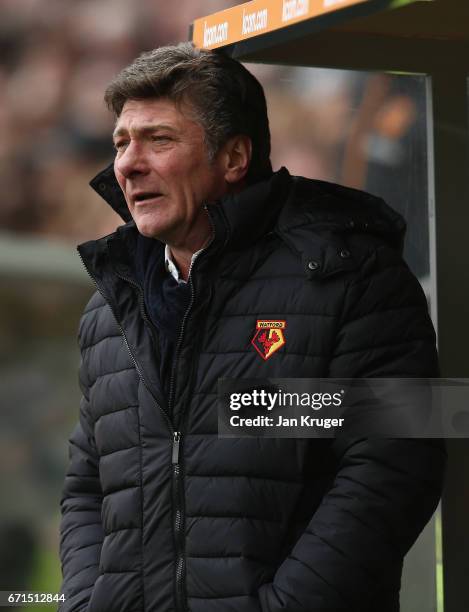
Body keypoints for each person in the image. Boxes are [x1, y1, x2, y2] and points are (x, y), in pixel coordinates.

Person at [59, 42, 446, 612]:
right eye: (121, 142)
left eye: (159, 139)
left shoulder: (347, 275)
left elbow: (395, 460)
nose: (127, 164)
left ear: (234, 158)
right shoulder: (111, 304)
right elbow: (89, 485)